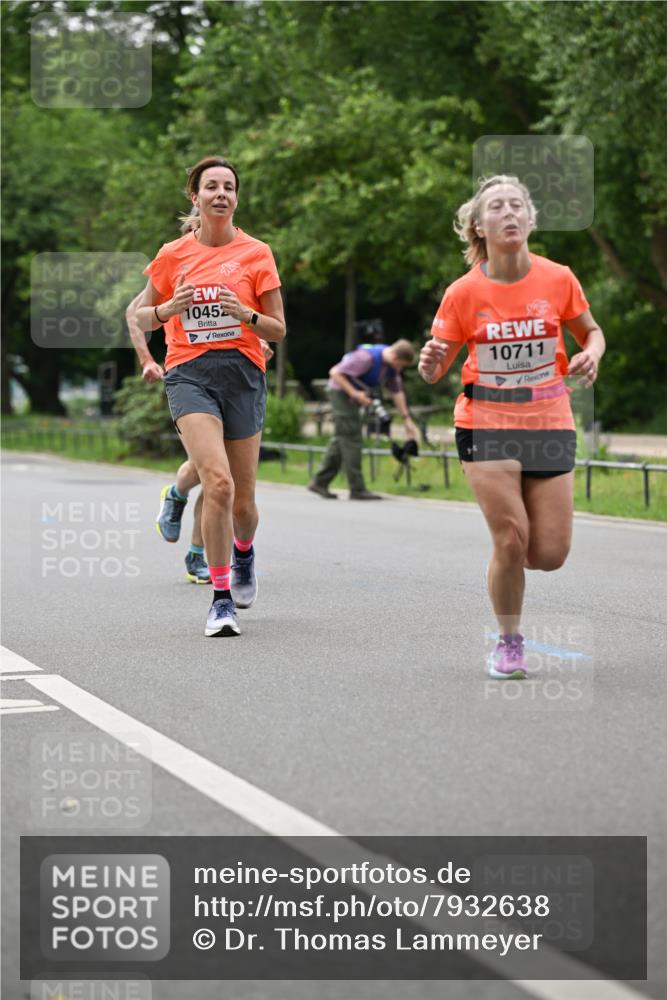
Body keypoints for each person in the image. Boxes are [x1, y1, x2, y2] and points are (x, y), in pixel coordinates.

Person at [418, 174, 605, 679]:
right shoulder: (463, 293)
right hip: (486, 421)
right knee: (511, 538)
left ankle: (509, 570)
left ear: (530, 219)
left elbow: (591, 331)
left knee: (548, 554)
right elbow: (435, 369)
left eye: (516, 205)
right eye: (497, 206)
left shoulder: (557, 278)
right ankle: (509, 642)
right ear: (479, 226)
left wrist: (591, 353)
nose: (509, 213)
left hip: (548, 419)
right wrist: (430, 360)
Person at [132, 155, 286, 637]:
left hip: (243, 374)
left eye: (229, 187)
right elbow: (138, 318)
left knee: (243, 500)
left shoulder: (257, 253)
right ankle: (221, 601)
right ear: (194, 197)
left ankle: (244, 554)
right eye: (211, 186)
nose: (221, 193)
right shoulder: (173, 253)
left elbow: (278, 330)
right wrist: (166, 310)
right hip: (189, 374)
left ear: (236, 198)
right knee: (217, 483)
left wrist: (245, 313)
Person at [126, 284, 274, 586]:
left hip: (233, 377)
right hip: (189, 377)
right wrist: (146, 360)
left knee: (220, 479)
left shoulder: (234, 260)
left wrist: (258, 341)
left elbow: (238, 313)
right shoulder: (176, 260)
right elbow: (133, 312)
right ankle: (177, 494)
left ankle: (197, 554)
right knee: (207, 469)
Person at [308, 340, 419, 500]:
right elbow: (335, 372)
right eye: (400, 365)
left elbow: (397, 392)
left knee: (342, 439)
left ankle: (320, 482)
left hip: (353, 396)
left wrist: (406, 419)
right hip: (340, 393)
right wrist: (354, 393)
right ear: (395, 358)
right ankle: (357, 489)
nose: (400, 369)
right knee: (353, 439)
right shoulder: (365, 358)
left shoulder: (390, 367)